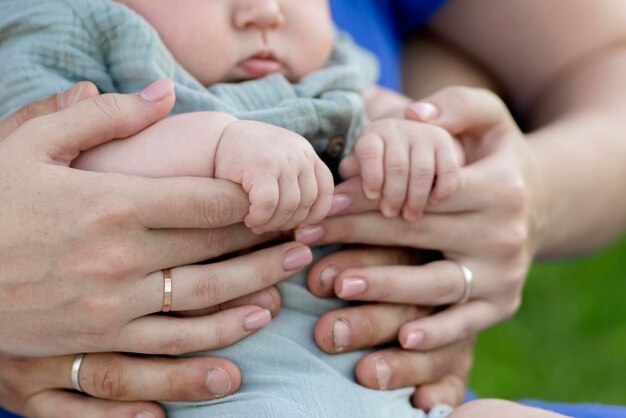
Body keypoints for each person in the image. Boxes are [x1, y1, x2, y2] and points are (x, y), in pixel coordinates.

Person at [2, 0, 626, 417]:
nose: (264, 13)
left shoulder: (329, 65)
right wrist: (218, 143)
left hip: (393, 395)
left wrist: (416, 143)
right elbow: (62, 174)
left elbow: (600, 54)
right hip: (236, 397)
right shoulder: (78, 34)